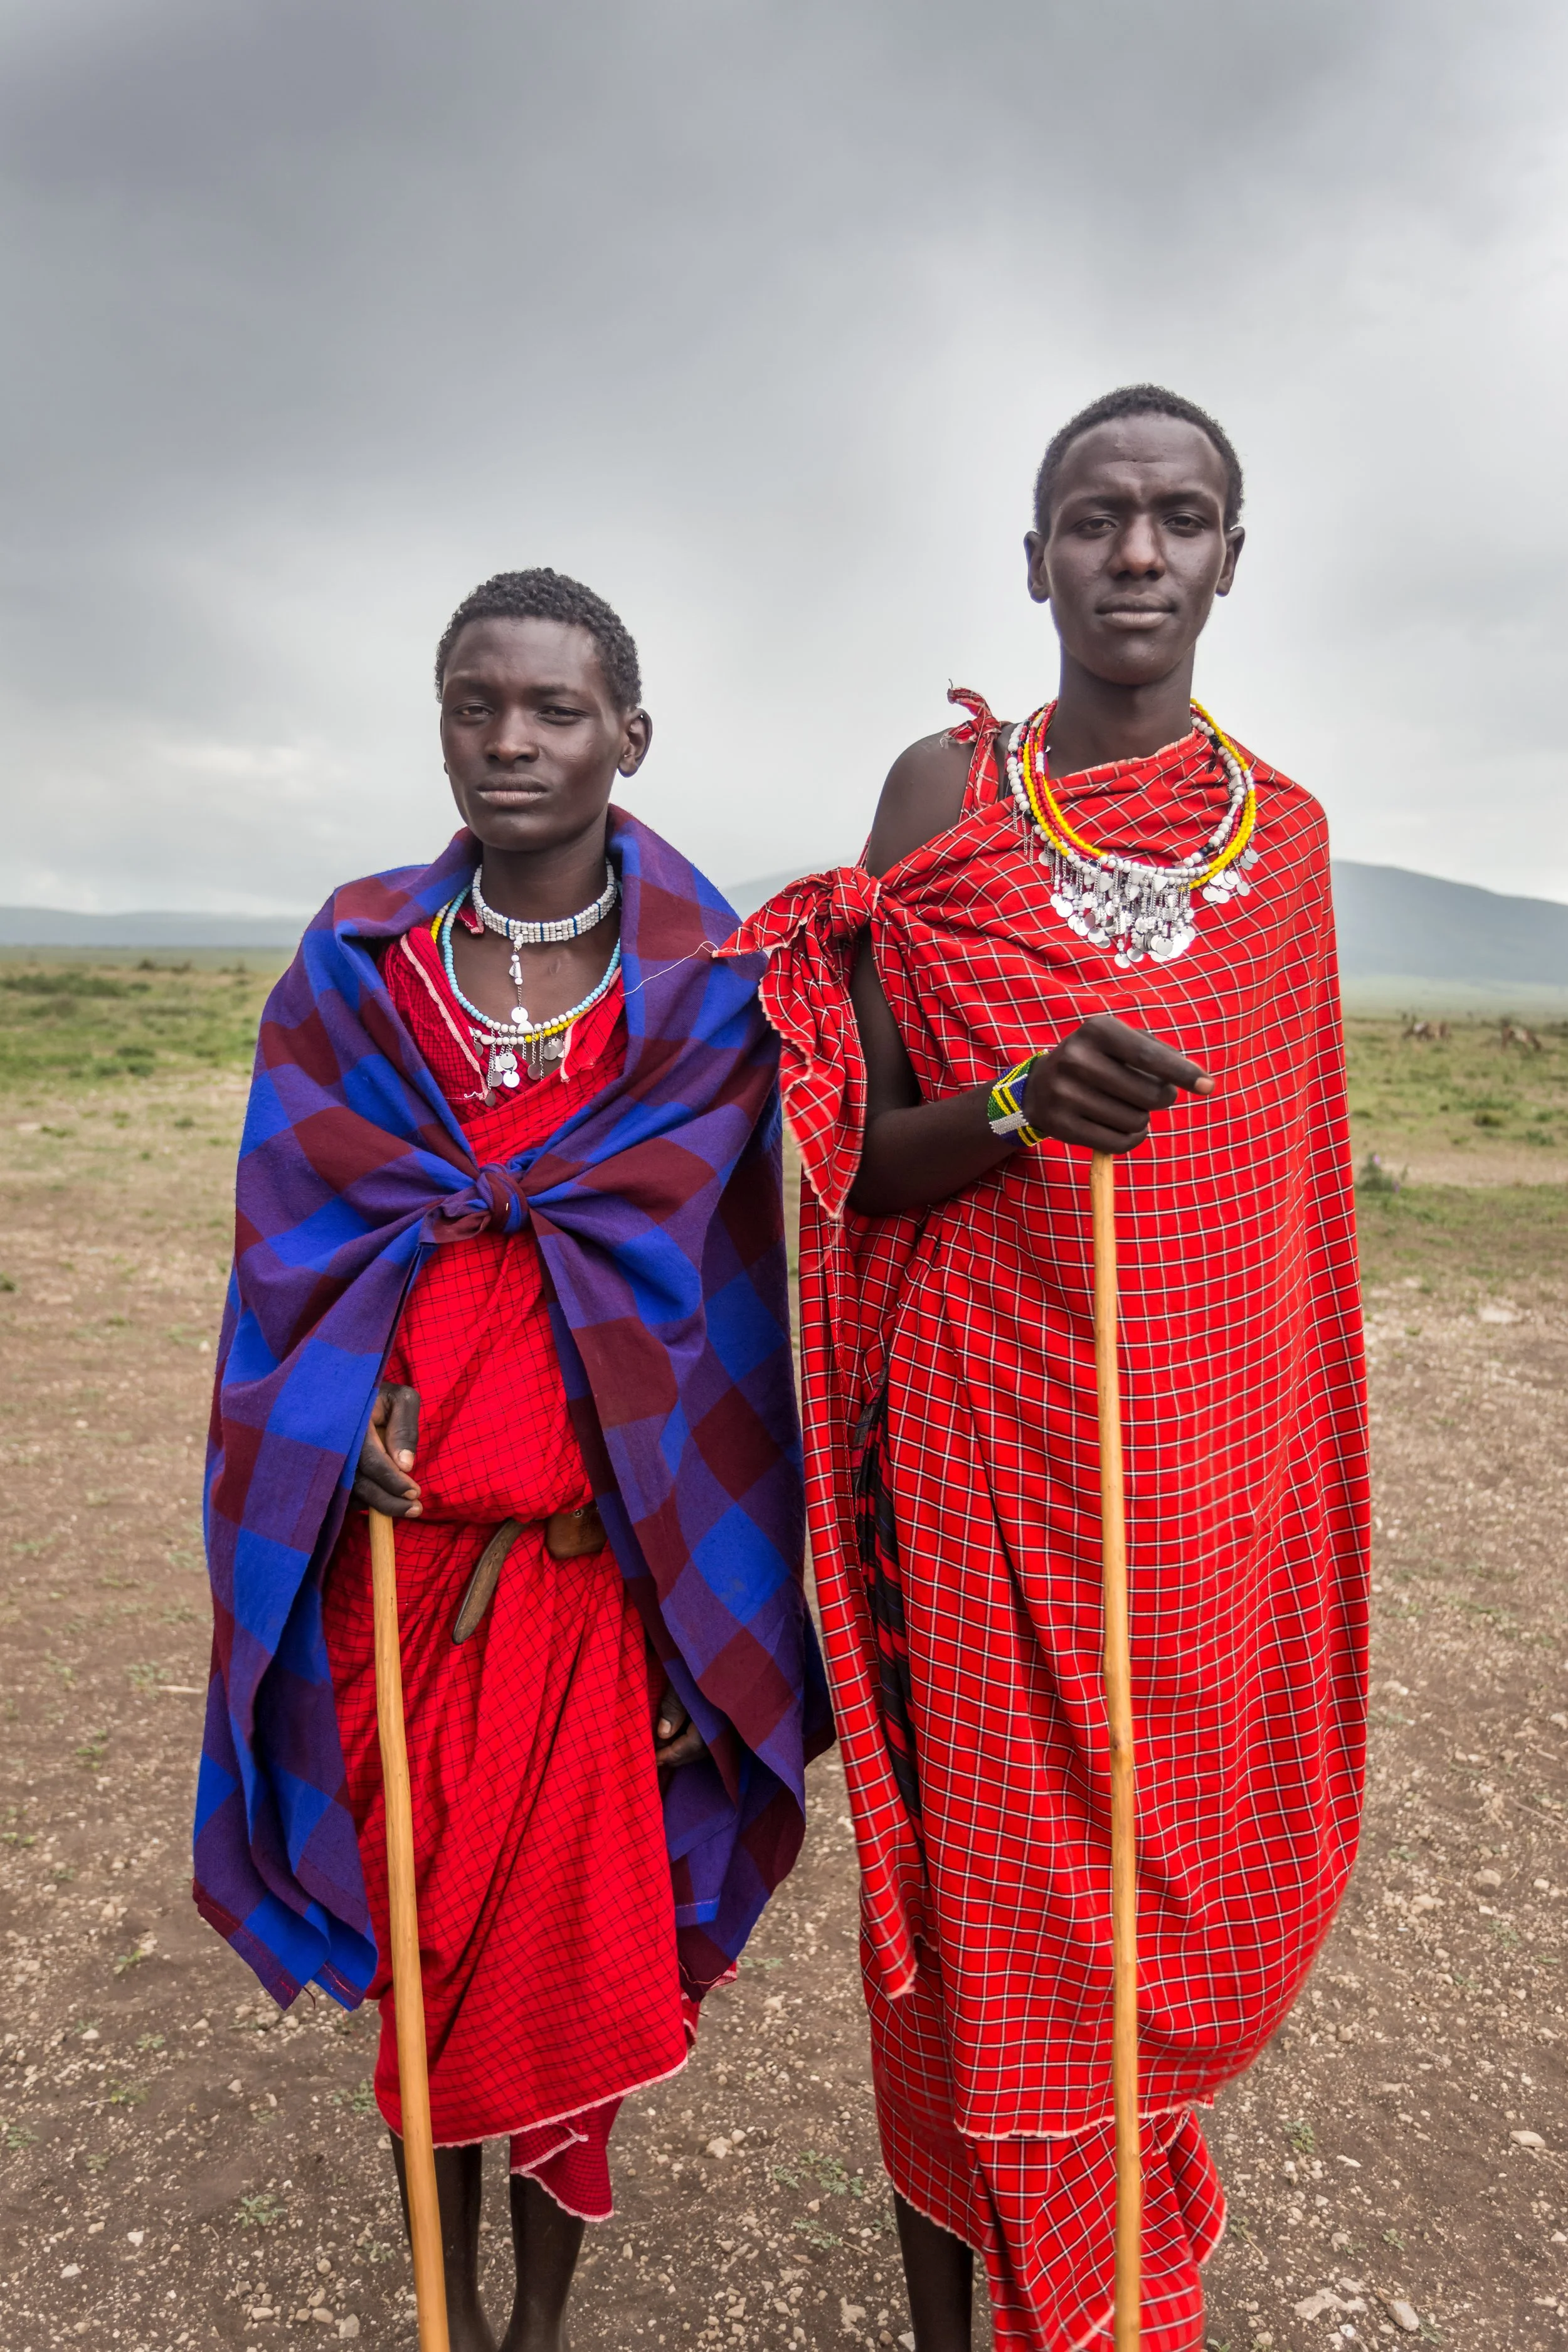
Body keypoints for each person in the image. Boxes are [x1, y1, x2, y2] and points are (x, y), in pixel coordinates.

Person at [724, 388, 1370, 2351]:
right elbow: (862, 1149)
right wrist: (1018, 1101)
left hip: (1192, 1491)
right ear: (1034, 559)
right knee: (965, 1938)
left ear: (1232, 559)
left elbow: (1281, 1227)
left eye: (1180, 518)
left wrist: (1256, 1488)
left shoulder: (1292, 846)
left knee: (1143, 1937)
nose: (1138, 554)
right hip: (980, 1463)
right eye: (1096, 518)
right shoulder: (943, 799)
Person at [195, 568, 830, 2352]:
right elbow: (293, 1248)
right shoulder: (358, 961)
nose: (512, 739)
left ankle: (538, 2328)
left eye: (555, 708)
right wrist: (341, 1412)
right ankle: (448, 2322)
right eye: (477, 702)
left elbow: (730, 1315)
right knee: (425, 1959)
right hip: (394, 1573)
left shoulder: (714, 987)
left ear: (630, 735)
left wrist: (722, 1627)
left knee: (559, 1965)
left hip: (594, 1575)